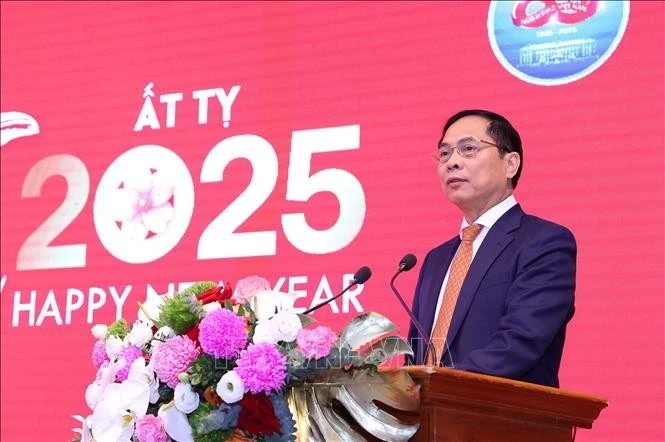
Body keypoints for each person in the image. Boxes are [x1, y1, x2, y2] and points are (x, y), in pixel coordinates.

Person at [407, 109, 576, 388]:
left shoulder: (545, 242)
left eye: (469, 149)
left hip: (502, 421)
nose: (452, 163)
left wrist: (438, 385)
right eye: (445, 153)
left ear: (510, 164)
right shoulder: (435, 260)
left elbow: (520, 343)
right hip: (427, 421)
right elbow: (416, 355)